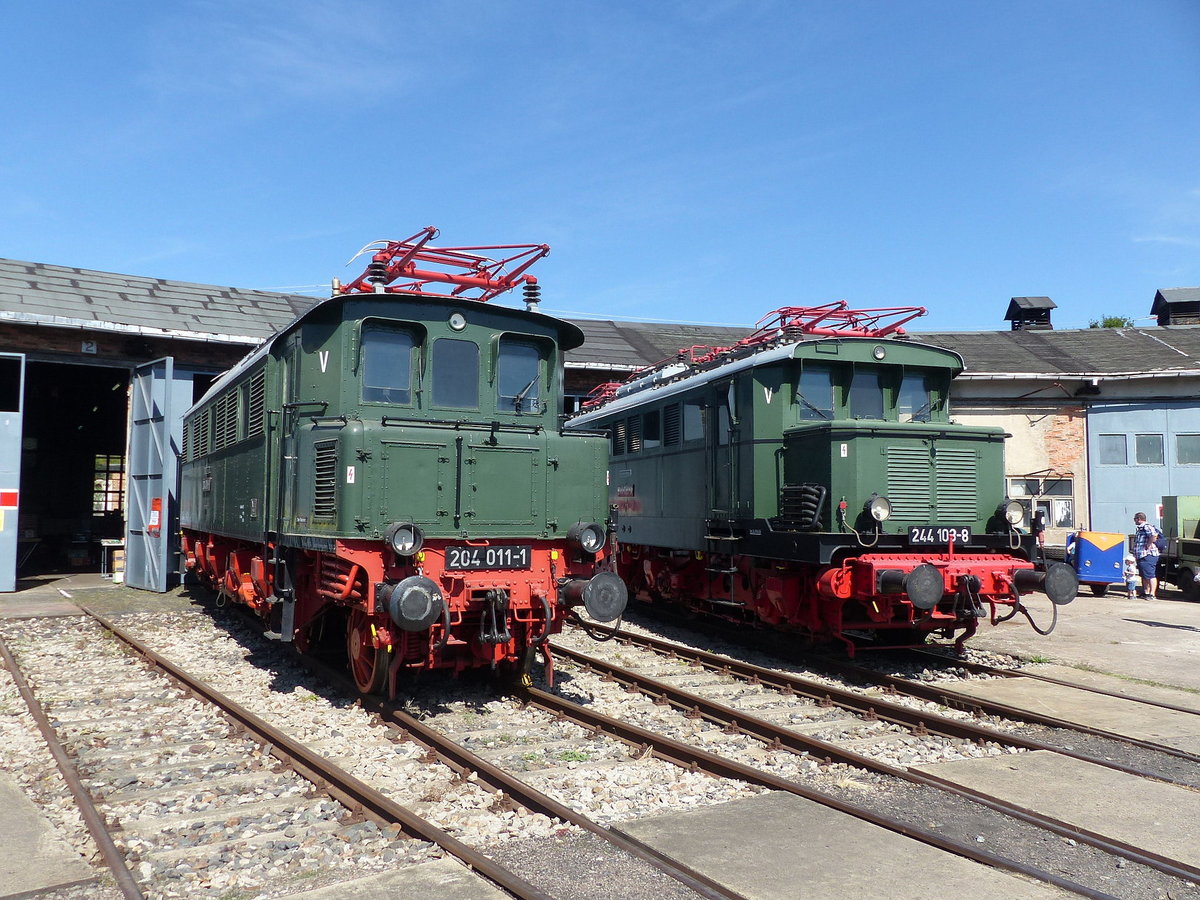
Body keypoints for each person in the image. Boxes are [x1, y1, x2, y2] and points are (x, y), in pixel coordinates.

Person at [1132, 512, 1164, 600]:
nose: (1134, 521)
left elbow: (1154, 535)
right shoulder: (1140, 528)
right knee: (1144, 575)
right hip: (1141, 555)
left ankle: (1152, 594)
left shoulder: (1147, 526)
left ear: (1139, 519)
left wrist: (1149, 544)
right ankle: (1146, 592)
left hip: (1148, 555)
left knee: (1150, 575)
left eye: (1135, 519)